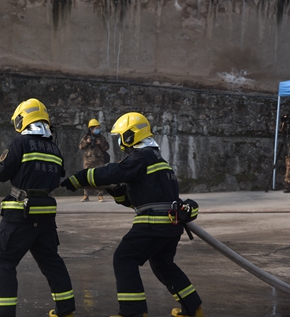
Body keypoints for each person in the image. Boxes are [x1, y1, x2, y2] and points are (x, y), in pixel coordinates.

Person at [61, 112, 203, 317]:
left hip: (152, 224)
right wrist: (118, 193)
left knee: (124, 258)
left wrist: (80, 177)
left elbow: (112, 171)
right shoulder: (158, 160)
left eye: (121, 136)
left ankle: (132, 312)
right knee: (164, 265)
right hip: (170, 226)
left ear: (130, 136)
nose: (120, 141)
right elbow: (140, 200)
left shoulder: (140, 157)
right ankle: (194, 308)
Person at [0, 98, 75, 317]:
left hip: (19, 216)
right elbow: (56, 177)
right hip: (46, 219)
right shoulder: (55, 150)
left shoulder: (19, 144)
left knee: (1, 260)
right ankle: (66, 311)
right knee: (52, 262)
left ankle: (3, 314)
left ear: (23, 120)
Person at [79, 118, 110, 202]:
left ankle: (100, 195)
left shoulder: (101, 138)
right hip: (88, 161)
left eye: (98, 128)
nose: (97, 129)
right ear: (91, 129)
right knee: (86, 178)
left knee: (100, 178)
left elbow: (107, 147)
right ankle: (86, 195)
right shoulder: (85, 137)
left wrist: (100, 143)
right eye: (96, 128)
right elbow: (81, 146)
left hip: (99, 161)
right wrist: (87, 142)